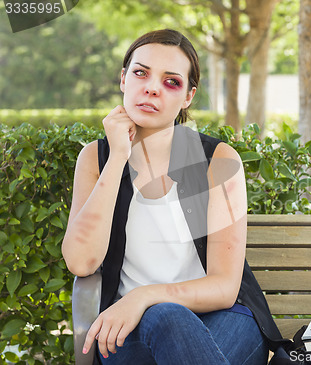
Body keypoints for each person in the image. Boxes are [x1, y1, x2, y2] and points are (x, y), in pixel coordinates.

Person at [62, 29, 284, 365]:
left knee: (169, 317)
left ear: (188, 96)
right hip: (129, 330)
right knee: (164, 319)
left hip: (222, 320)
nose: (151, 87)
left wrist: (144, 297)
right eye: (141, 73)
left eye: (171, 82)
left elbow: (224, 288)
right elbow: (81, 262)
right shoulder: (96, 159)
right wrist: (118, 156)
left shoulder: (216, 161)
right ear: (123, 79)